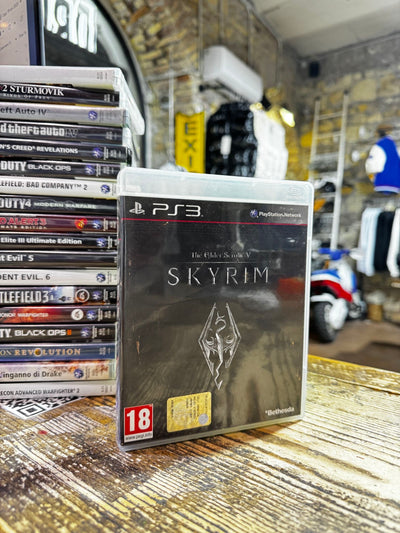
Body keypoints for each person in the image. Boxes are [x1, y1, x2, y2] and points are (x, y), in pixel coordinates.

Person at [365, 124, 400, 194]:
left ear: (378, 133)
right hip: (396, 185)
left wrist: (372, 178)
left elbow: (372, 166)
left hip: (382, 183)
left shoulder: (379, 145)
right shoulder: (394, 146)